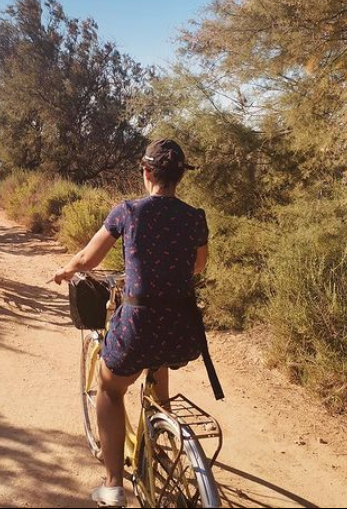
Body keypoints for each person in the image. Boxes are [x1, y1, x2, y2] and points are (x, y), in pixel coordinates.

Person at [52, 139, 208, 508]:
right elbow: (198, 266)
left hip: (138, 326)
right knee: (159, 358)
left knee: (110, 389)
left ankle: (112, 485)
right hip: (183, 330)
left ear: (146, 172)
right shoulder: (194, 217)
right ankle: (160, 435)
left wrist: (66, 270)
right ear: (180, 177)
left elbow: (88, 259)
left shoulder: (128, 212)